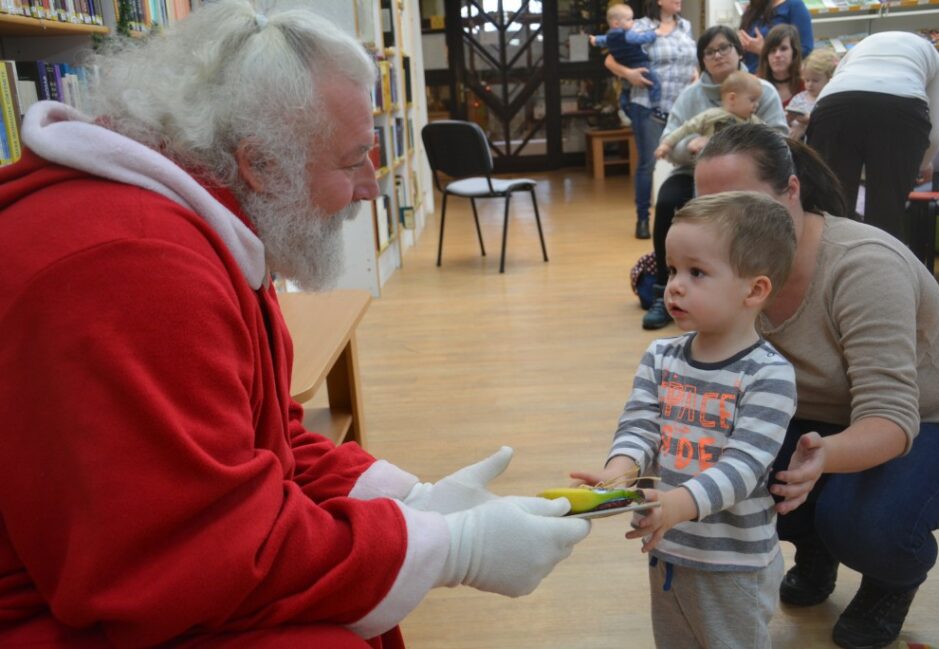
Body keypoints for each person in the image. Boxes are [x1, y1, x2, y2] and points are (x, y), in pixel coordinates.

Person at [0, 2, 591, 647]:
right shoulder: (135, 270)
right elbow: (185, 556)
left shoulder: (193, 226)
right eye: (351, 161)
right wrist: (453, 549)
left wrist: (410, 501)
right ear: (259, 165)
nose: (371, 186)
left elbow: (259, 435)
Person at [694, 122, 939, 649]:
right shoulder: (736, 266)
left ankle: (889, 580)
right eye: (710, 208)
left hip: (930, 418)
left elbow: (891, 416)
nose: (726, 226)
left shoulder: (862, 267)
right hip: (825, 415)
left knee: (865, 522)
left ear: (791, 191)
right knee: (723, 469)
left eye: (741, 204)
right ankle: (816, 546)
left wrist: (823, 457)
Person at [571, 191, 798, 648]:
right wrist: (620, 472)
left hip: (733, 563)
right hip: (669, 550)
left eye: (697, 273)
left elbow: (742, 468)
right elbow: (640, 424)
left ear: (754, 290)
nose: (674, 285)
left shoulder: (768, 374)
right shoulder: (661, 356)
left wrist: (676, 505)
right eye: (673, 269)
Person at [643, 25, 786, 330]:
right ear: (702, 60)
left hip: (750, 175)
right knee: (668, 202)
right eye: (710, 51)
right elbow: (672, 138)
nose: (718, 55)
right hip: (693, 171)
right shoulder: (690, 96)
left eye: (725, 48)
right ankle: (662, 292)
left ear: (739, 51)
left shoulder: (762, 89)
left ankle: (760, 289)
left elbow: (781, 140)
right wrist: (693, 149)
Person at [806, 31, 939, 241]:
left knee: (830, 211)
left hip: (835, 103)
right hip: (901, 108)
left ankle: (825, 269)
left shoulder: (857, 51)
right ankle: (880, 269)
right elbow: (934, 135)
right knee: (886, 217)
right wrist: (923, 164)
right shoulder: (935, 59)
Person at [604, 0, 697, 240]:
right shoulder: (639, 26)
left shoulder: (685, 26)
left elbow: (690, 61)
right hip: (647, 105)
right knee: (648, 163)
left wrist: (695, 77)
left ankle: (687, 219)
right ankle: (643, 219)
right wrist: (629, 74)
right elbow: (609, 59)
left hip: (682, 108)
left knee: (688, 162)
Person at [654, 71, 763, 159]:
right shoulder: (711, 115)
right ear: (732, 98)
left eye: (758, 101)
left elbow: (771, 137)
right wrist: (667, 144)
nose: (756, 105)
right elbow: (686, 128)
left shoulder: (754, 122)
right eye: (752, 100)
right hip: (709, 167)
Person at [589, 3, 664, 109]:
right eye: (629, 20)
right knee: (654, 83)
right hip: (638, 62)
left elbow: (603, 40)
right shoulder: (627, 34)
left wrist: (595, 40)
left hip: (623, 62)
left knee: (626, 87)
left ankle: (624, 102)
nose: (632, 22)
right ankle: (656, 105)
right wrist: (654, 34)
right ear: (616, 23)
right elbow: (640, 39)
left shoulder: (610, 35)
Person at [738, 0, 813, 74]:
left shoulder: (794, 5)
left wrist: (764, 50)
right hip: (751, 75)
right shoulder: (752, 8)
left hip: (779, 77)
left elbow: (806, 49)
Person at [786, 48, 838, 140]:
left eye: (815, 80)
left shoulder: (830, 100)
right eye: (807, 80)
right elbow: (787, 121)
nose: (810, 84)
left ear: (829, 79)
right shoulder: (799, 98)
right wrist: (788, 118)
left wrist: (810, 121)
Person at [756, 24, 804, 107]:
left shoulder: (807, 83)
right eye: (772, 50)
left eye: (783, 49)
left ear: (794, 52)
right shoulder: (755, 84)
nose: (777, 55)